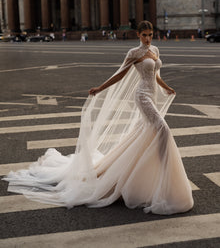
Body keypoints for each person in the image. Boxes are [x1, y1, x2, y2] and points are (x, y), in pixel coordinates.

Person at [3, 20, 193, 215]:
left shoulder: (155, 49)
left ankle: (135, 173)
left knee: (146, 134)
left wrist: (166, 87)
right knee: (162, 129)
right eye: (144, 35)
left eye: (150, 35)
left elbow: (155, 74)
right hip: (142, 96)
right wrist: (100, 88)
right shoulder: (134, 53)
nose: (147, 39)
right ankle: (164, 171)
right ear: (138, 35)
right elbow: (119, 75)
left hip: (151, 93)